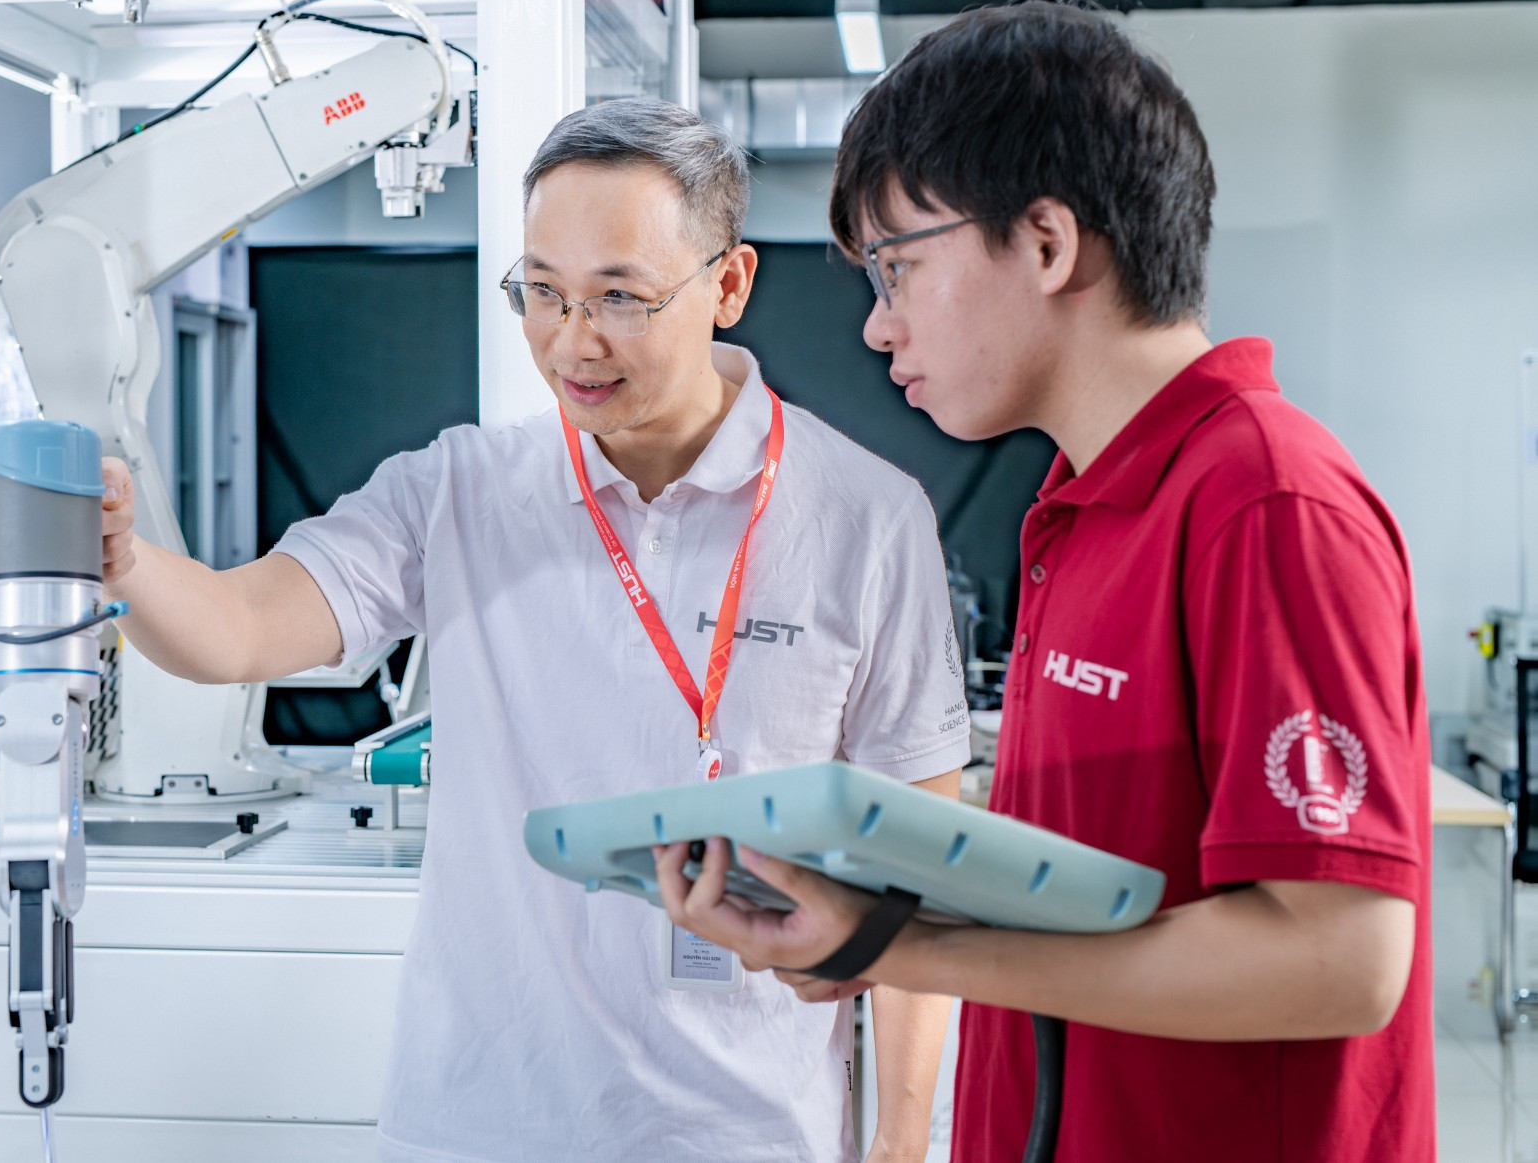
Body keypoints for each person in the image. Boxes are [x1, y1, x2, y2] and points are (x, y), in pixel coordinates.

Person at [99, 97, 972, 1162]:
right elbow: (236, 629)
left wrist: (900, 1144)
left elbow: (914, 859)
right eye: (543, 292)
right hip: (478, 1126)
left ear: (729, 285)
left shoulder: (865, 518)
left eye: (620, 297)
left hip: (748, 1131)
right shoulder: (458, 492)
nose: (573, 341)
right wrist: (125, 562)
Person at [654, 0, 1435, 1162]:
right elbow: (1116, 882)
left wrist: (903, 948)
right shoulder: (1083, 509)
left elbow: (1339, 958)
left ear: (1046, 243)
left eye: (896, 269)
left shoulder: (1265, 502)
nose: (877, 329)